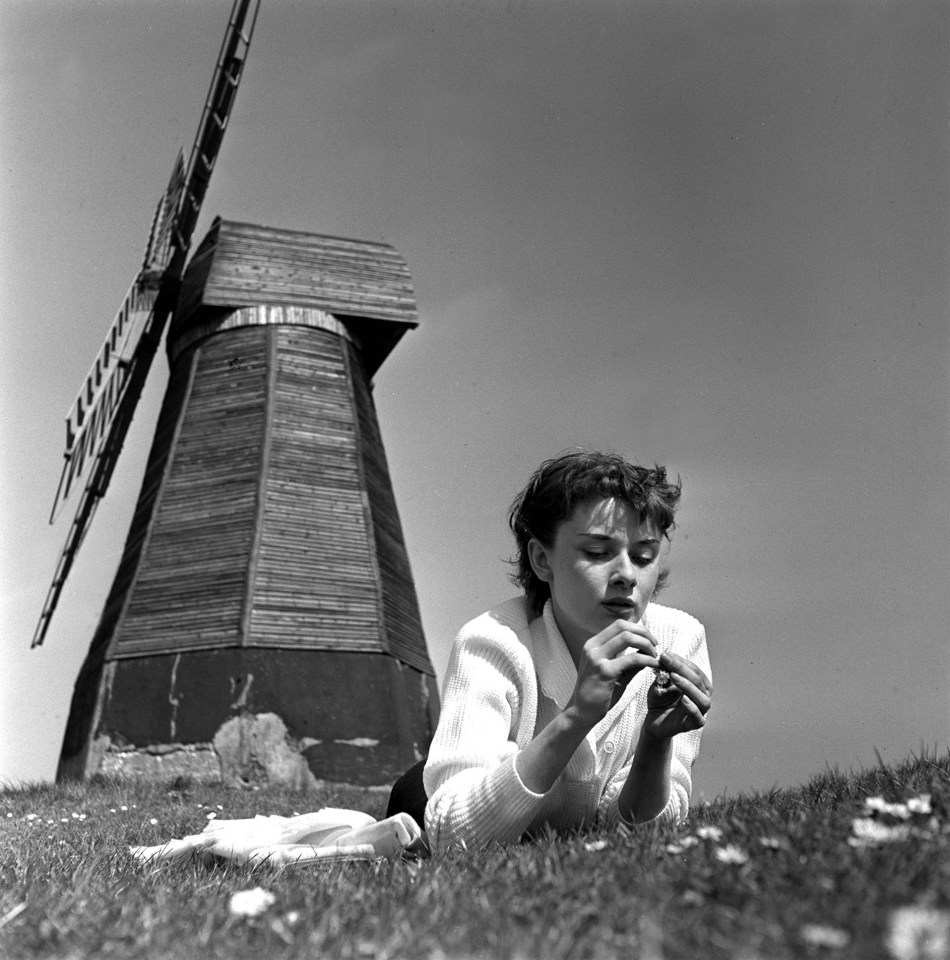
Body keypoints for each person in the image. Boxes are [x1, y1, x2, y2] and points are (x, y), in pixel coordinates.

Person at [387, 450, 712, 853]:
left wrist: (655, 742)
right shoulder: (492, 642)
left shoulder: (679, 638)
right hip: (434, 799)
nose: (627, 575)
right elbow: (454, 833)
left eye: (643, 556)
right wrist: (576, 716)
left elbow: (643, 833)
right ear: (542, 559)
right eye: (597, 552)